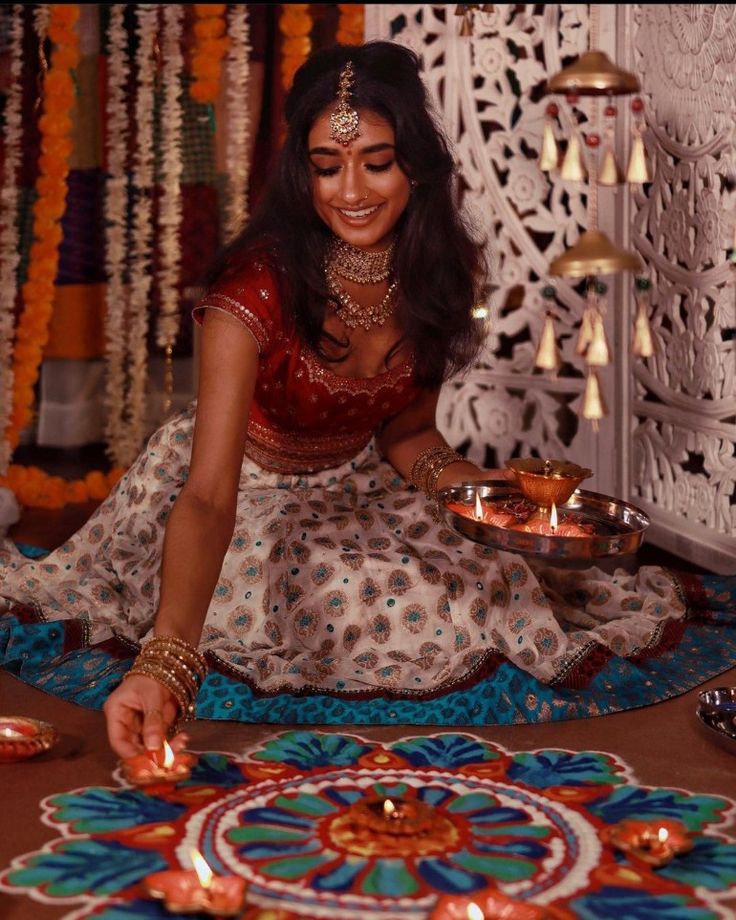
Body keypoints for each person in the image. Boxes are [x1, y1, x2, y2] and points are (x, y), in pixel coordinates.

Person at [1, 41, 732, 759]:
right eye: (327, 166)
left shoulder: (440, 272)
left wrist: (488, 499)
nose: (351, 191)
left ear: (414, 162)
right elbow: (208, 497)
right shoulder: (254, 291)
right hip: (244, 490)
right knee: (348, 602)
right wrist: (165, 665)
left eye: (376, 162)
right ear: (303, 174)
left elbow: (410, 435)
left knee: (486, 586)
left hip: (359, 480)